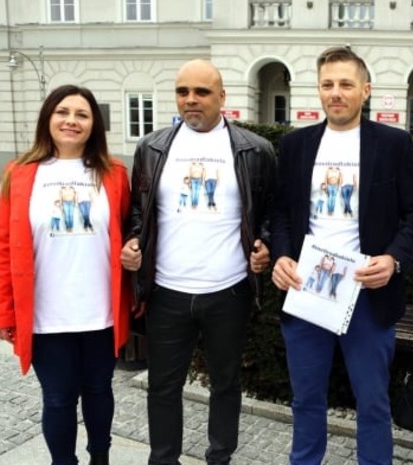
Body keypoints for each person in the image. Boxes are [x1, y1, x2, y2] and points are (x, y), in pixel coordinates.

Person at [271, 46, 413, 465]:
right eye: (327, 84)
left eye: (346, 84)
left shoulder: (393, 144)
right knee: (306, 399)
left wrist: (394, 259)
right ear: (318, 90)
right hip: (308, 288)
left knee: (373, 402)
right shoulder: (296, 145)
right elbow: (282, 213)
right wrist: (281, 256)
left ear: (366, 90)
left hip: (367, 292)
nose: (336, 93)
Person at [120, 59, 276, 465]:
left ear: (221, 97)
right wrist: (133, 240)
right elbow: (138, 212)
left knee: (225, 384)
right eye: (182, 91)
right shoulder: (152, 147)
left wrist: (266, 245)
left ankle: (220, 458)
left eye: (201, 92)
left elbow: (269, 213)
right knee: (162, 387)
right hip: (166, 293)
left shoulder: (255, 150)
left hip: (229, 292)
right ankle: (163, 459)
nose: (191, 100)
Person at [0, 84, 132, 465]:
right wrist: (1, 310)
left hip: (100, 312)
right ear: (47, 119)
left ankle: (100, 457)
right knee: (57, 399)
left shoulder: (113, 174)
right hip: (46, 316)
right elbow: (3, 246)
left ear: (94, 124)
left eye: (82, 114)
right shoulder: (19, 173)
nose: (72, 121)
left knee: (99, 389)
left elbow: (128, 232)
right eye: (62, 112)